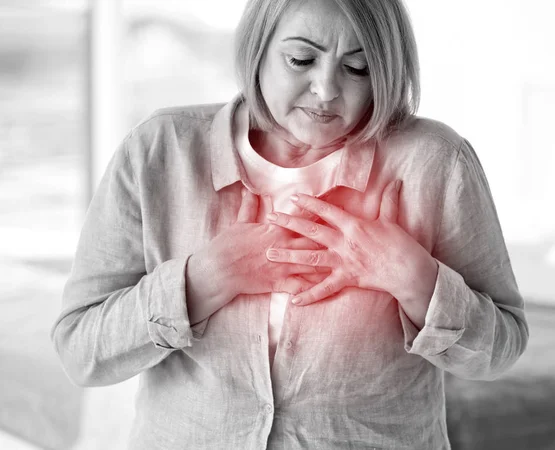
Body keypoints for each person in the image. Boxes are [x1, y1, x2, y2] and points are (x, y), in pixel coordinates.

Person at [51, 0, 529, 448]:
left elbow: (502, 345)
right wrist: (203, 279)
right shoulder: (158, 151)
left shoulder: (436, 163)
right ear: (259, 47)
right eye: (301, 60)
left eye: (357, 67)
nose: (326, 90)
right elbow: (80, 350)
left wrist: (415, 280)